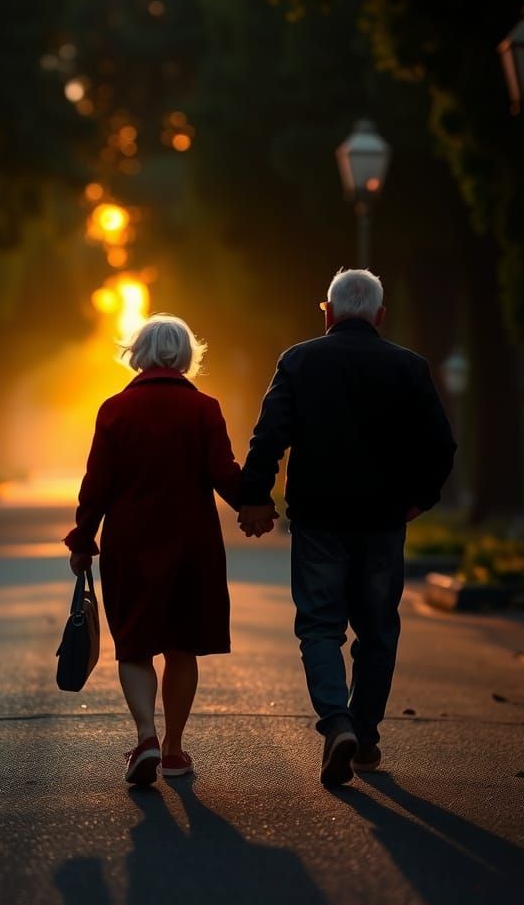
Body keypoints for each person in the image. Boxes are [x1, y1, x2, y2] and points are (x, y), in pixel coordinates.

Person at [237, 268, 456, 788]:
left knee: (319, 626)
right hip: (383, 520)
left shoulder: (299, 361)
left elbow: (269, 437)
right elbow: (441, 446)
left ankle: (337, 724)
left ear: (329, 313)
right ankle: (367, 733)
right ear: (379, 316)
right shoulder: (410, 367)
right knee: (377, 629)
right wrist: (420, 500)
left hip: (318, 519)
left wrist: (255, 498)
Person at [65, 314, 252, 786]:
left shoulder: (114, 410)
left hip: (130, 543)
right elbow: (224, 472)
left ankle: (145, 735)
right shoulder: (205, 408)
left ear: (138, 354)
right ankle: (172, 748)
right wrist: (255, 506)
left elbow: (97, 484)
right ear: (187, 356)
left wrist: (83, 540)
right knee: (180, 644)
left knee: (134, 644)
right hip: (193, 544)